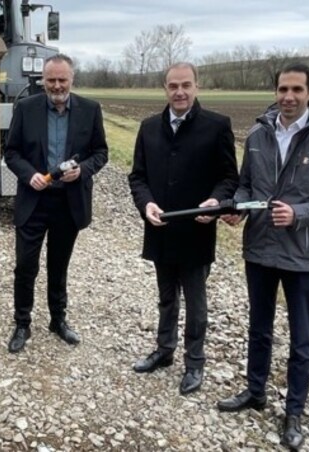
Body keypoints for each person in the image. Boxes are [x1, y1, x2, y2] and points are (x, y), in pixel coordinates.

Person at [216, 63, 309, 450]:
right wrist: (237, 209)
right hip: (260, 250)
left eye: (297, 89)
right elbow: (248, 186)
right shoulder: (260, 134)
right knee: (258, 328)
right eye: (283, 89)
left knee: (302, 339)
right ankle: (255, 391)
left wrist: (301, 214)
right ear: (275, 91)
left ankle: (294, 412)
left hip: (304, 256)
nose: (289, 97)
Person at [127, 62, 239, 395]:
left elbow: (229, 177)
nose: (180, 92)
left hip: (197, 231)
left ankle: (194, 363)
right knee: (166, 298)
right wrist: (145, 204)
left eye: (186, 85)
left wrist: (216, 202)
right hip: (160, 229)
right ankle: (164, 350)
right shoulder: (148, 127)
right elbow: (138, 177)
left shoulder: (217, 126)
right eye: (173, 86)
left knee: (196, 302)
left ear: (196, 87)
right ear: (165, 88)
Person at [4, 53, 108, 353]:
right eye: (51, 80)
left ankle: (57, 320)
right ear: (43, 81)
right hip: (34, 201)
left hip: (69, 201)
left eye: (63, 80)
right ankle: (22, 323)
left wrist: (83, 170)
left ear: (72, 80)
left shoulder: (90, 110)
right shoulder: (26, 108)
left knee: (58, 266)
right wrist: (29, 175)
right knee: (25, 266)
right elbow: (12, 153)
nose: (57, 86)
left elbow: (101, 152)